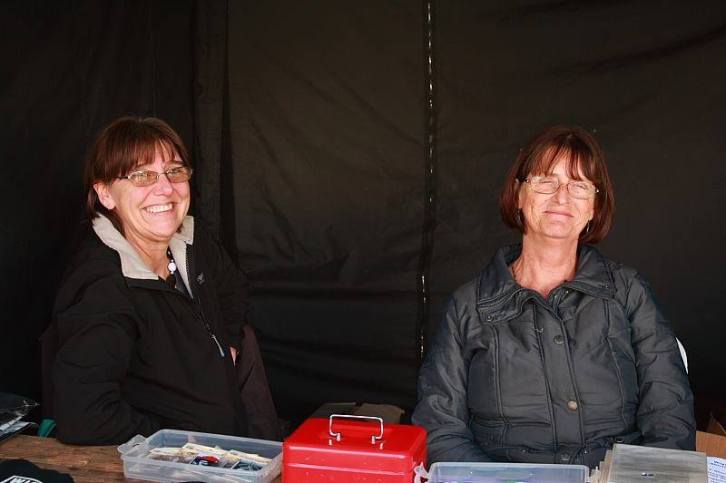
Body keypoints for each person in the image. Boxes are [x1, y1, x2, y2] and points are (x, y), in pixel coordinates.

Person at [412, 126, 695, 468]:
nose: (562, 197)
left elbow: (669, 415)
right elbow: (440, 429)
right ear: (518, 194)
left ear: (594, 207)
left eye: (579, 186)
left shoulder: (628, 291)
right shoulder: (468, 306)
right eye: (546, 181)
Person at [49, 116, 279, 445]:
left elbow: (233, 289)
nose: (165, 188)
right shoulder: (103, 286)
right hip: (177, 465)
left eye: (175, 171)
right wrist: (174, 440)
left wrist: (226, 344)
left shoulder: (194, 241)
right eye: (142, 175)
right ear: (106, 194)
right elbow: (84, 415)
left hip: (231, 450)